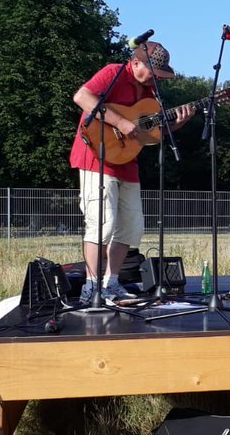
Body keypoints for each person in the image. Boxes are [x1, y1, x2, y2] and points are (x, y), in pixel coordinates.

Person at [71, 41, 194, 304]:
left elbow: (150, 137)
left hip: (127, 162)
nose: (156, 79)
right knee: (102, 223)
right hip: (97, 156)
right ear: (136, 62)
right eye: (152, 72)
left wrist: (178, 125)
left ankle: (111, 282)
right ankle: (90, 287)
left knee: (131, 225)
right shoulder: (114, 72)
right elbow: (81, 97)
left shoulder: (152, 93)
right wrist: (121, 122)